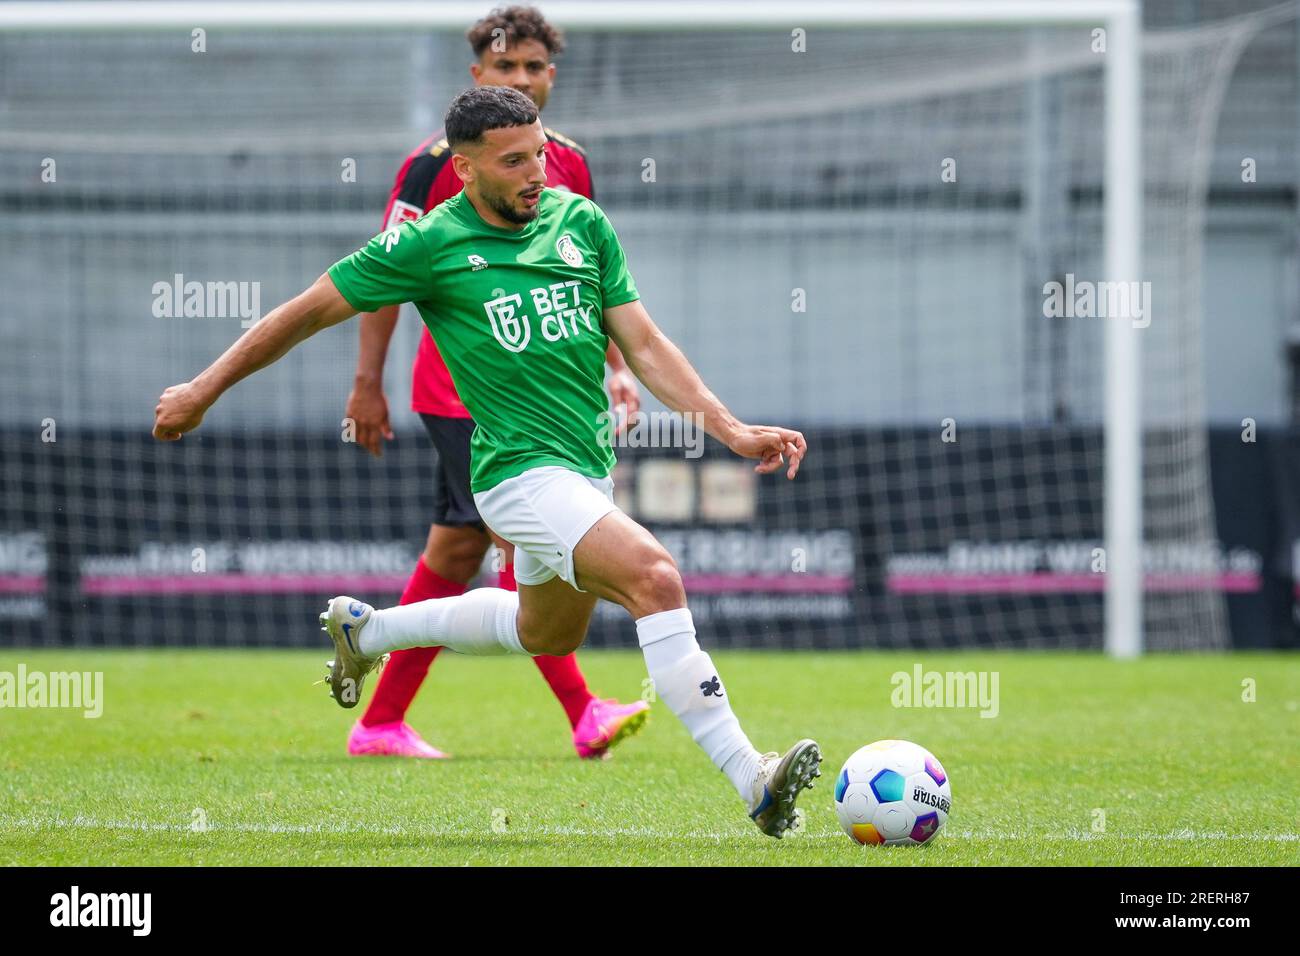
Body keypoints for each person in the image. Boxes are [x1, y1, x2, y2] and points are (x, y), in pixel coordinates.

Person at [153, 86, 821, 838]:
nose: (537, 171)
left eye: (538, 152)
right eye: (514, 161)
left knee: (547, 634)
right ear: (465, 170)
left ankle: (366, 635)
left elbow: (645, 342)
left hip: (584, 467)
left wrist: (729, 428)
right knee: (655, 578)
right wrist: (203, 390)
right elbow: (305, 311)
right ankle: (752, 777)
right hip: (515, 474)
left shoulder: (581, 221)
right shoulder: (427, 245)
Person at [344, 4, 646, 761]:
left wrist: (616, 371)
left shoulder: (568, 163)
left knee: (455, 550)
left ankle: (379, 720)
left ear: (551, 75)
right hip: (460, 395)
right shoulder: (429, 166)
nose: (520, 77)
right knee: (517, 536)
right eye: (504, 67)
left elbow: (587, 282)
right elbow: (377, 282)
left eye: (533, 67)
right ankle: (583, 711)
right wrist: (366, 384)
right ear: (477, 75)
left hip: (549, 394)